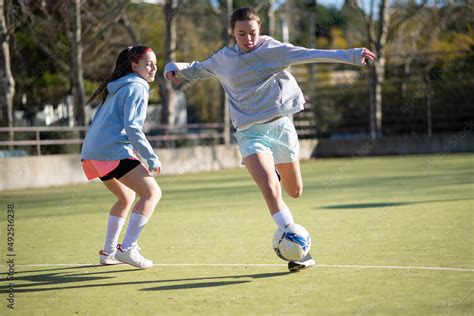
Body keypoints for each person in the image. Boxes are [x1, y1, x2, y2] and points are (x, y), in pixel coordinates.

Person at [164, 7, 376, 272]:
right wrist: (176, 68)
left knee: (294, 191)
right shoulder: (224, 59)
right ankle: (299, 250)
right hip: (250, 133)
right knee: (270, 188)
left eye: (252, 33)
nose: (248, 39)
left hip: (280, 128)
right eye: (241, 34)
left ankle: (271, 172)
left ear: (259, 30)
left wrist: (353, 55)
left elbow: (310, 55)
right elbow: (200, 69)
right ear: (232, 33)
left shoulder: (274, 51)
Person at [81, 45, 162, 269]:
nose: (154, 67)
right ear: (134, 66)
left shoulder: (119, 86)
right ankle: (127, 248)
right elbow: (133, 128)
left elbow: (114, 125)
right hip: (110, 152)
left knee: (126, 198)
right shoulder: (138, 86)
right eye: (148, 63)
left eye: (155, 63)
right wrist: (151, 158)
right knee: (152, 193)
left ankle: (108, 252)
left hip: (92, 153)